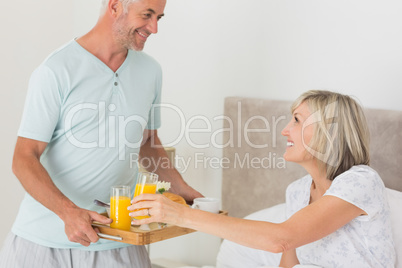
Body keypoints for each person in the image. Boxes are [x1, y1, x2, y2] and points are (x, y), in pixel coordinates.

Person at [0, 0, 202, 267]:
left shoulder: (151, 71)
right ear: (115, 7)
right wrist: (68, 212)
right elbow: (24, 158)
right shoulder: (56, 70)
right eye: (147, 15)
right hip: (43, 243)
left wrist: (185, 191)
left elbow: (148, 142)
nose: (154, 28)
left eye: (159, 18)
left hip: (120, 240)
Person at [129, 90, 396, 268]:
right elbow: (288, 262)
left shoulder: (361, 181)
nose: (284, 130)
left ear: (330, 132)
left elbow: (282, 238)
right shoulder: (298, 191)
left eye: (296, 120)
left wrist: (180, 215)